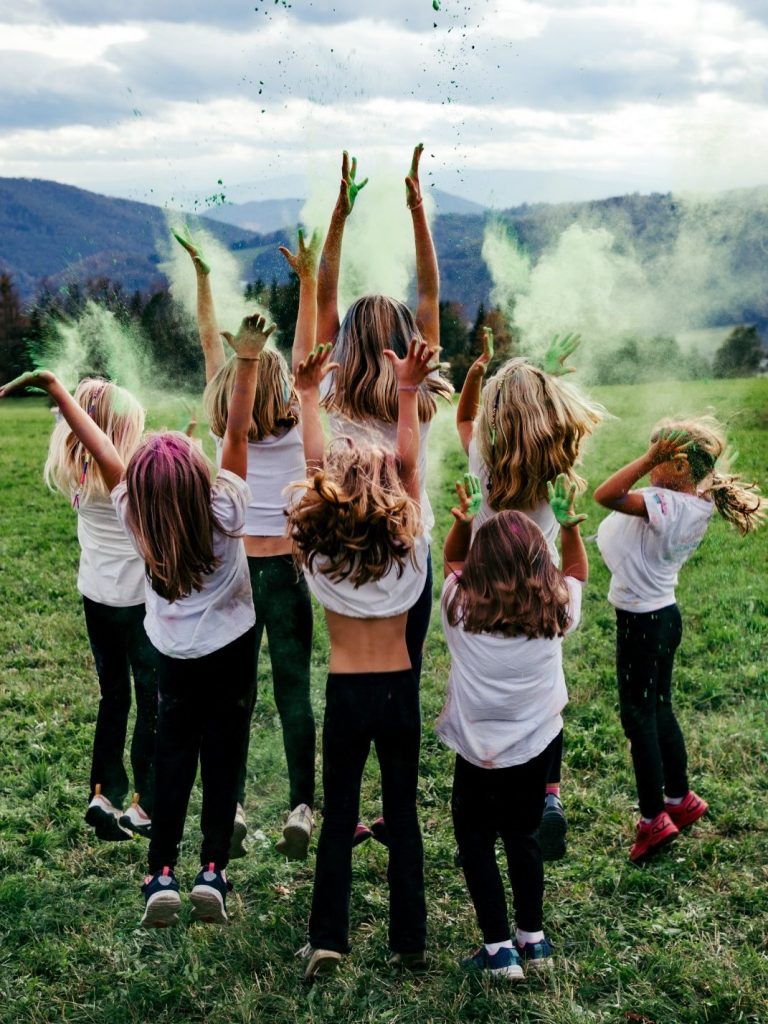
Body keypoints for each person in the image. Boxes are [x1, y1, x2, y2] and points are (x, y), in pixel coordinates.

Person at [1, 313, 272, 927]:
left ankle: (161, 877)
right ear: (202, 477)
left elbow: (101, 449)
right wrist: (249, 361)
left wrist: (58, 388)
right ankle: (213, 871)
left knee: (171, 764)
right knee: (224, 761)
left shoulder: (134, 512)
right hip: (232, 657)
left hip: (174, 660)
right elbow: (236, 432)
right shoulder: (227, 507)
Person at [309, 145, 453, 845]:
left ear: (345, 343)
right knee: (405, 677)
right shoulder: (415, 389)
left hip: (344, 545)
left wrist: (339, 215)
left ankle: (343, 806)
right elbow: (429, 296)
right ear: (408, 343)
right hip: (407, 551)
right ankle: (399, 810)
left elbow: (323, 297)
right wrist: (418, 212)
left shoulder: (331, 386)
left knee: (348, 676)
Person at [286, 332, 435, 981]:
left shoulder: (320, 552)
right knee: (402, 814)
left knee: (339, 816)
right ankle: (409, 939)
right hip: (399, 692)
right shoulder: (411, 544)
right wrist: (407, 390)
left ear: (331, 493)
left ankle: (327, 940)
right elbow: (411, 464)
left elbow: (313, 463)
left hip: (346, 695)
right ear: (397, 493)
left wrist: (306, 395)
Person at [175, 226, 316, 861]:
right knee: (293, 692)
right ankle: (301, 806)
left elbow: (211, 340)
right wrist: (307, 282)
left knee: (233, 697)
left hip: (233, 575)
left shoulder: (224, 424)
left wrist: (204, 278)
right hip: (286, 571)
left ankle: (229, 806)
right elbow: (307, 348)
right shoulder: (295, 425)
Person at [455, 328, 602, 860]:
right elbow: (545, 420)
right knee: (546, 698)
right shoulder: (556, 461)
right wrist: (553, 375)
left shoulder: (484, 460)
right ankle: (548, 794)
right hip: (543, 595)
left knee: (480, 692)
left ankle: (483, 812)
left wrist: (475, 373)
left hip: (486, 591)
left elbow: (464, 420)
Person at [594, 416, 766, 862]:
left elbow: (606, 495)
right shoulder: (697, 501)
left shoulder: (665, 504)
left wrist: (644, 460)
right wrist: (656, 458)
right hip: (666, 616)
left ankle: (653, 819)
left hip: (640, 621)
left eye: (658, 458)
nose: (650, 464)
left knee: (638, 719)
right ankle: (680, 798)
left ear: (680, 467)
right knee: (660, 707)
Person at [437, 473, 587, 979]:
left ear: (481, 563)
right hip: (533, 750)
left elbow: (452, 564)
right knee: (523, 837)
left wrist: (464, 523)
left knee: (476, 841)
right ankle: (534, 941)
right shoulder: (558, 609)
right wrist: (568, 527)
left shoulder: (458, 608)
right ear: (539, 562)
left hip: (476, 752)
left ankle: (499, 950)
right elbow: (576, 572)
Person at [43, 377, 157, 841]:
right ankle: (145, 804)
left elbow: (79, 429)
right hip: (140, 605)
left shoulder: (77, 468)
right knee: (150, 699)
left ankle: (103, 795)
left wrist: (78, 403)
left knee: (113, 697)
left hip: (96, 599)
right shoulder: (127, 477)